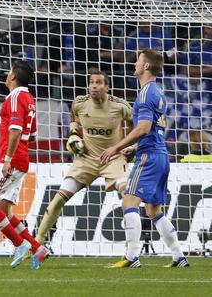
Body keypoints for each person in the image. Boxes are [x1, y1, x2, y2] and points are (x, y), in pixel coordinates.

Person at [101, 50, 189, 268]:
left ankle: (132, 257)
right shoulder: (156, 92)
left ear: (146, 66)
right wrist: (133, 147)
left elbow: (144, 127)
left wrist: (116, 146)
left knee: (128, 202)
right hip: (160, 154)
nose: (135, 64)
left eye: (138, 61)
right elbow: (153, 129)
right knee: (153, 210)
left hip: (149, 157)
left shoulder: (145, 94)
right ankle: (178, 256)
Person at [35, 70, 133, 245]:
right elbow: (74, 118)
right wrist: (73, 134)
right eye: (91, 82)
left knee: (127, 192)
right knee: (58, 199)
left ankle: (133, 248)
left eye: (99, 82)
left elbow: (138, 124)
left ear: (107, 87)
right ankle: (37, 242)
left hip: (113, 158)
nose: (94, 86)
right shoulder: (79, 104)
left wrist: (131, 146)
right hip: (86, 159)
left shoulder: (120, 106)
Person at [0, 60, 50, 269]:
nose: (6, 74)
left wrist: (7, 158)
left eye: (9, 71)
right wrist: (0, 142)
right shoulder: (29, 98)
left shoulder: (15, 96)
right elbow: (30, 136)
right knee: (3, 210)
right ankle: (37, 248)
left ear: (13, 77)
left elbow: (17, 130)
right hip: (21, 158)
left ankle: (20, 244)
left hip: (12, 161)